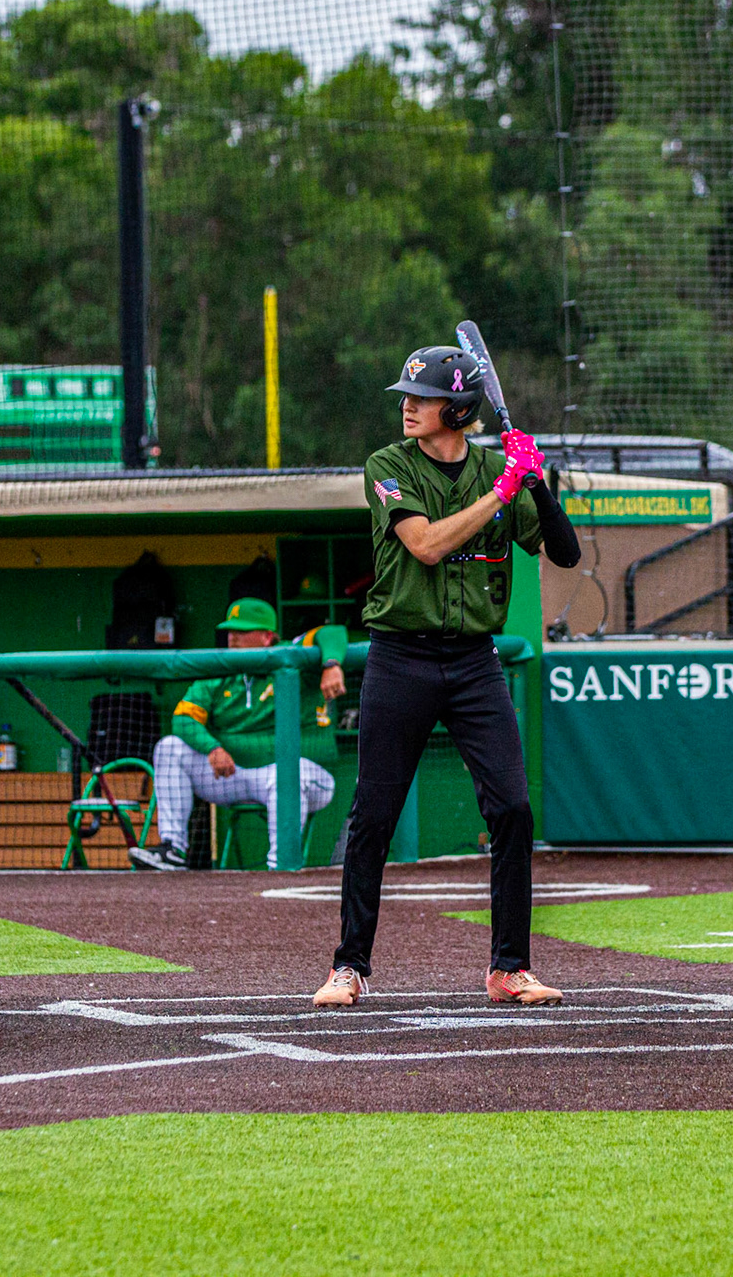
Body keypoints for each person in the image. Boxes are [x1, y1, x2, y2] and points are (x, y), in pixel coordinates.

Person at [314, 344, 581, 1009]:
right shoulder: (387, 465)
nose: (408, 406)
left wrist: (535, 483)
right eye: (408, 396)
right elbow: (427, 545)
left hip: (473, 661)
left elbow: (565, 553)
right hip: (399, 656)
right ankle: (348, 967)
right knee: (375, 814)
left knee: (513, 808)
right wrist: (502, 491)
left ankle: (510, 968)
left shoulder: (498, 470)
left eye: (423, 398)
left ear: (458, 409)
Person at [140, 597, 345, 871]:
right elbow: (183, 719)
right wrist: (212, 747)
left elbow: (331, 632)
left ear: (267, 637)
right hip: (234, 774)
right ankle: (172, 849)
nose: (233, 637)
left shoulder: (291, 655)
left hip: (305, 776)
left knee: (288, 773)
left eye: (242, 631)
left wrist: (331, 664)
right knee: (169, 747)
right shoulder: (220, 669)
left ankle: (280, 866)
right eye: (230, 630)